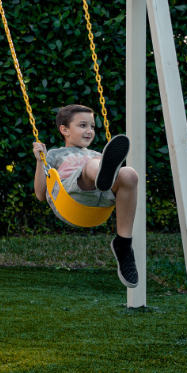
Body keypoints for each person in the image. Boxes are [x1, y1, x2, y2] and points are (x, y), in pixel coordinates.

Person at [32, 104, 139, 288]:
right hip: (71, 197)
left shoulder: (97, 155)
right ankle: (100, 176)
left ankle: (124, 244)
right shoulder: (55, 154)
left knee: (129, 174)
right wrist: (39, 160)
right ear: (64, 130)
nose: (89, 131)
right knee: (93, 164)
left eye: (92, 126)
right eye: (83, 125)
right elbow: (41, 194)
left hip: (100, 200)